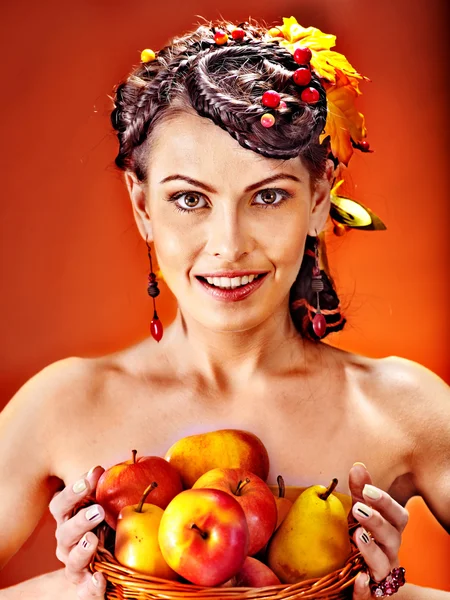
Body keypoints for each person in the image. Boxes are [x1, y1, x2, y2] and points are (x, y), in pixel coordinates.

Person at [1, 16, 449, 600]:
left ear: (319, 200)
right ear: (141, 207)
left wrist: (394, 595)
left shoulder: (401, 406)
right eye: (189, 199)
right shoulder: (61, 404)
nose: (229, 244)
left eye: (267, 196)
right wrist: (65, 593)